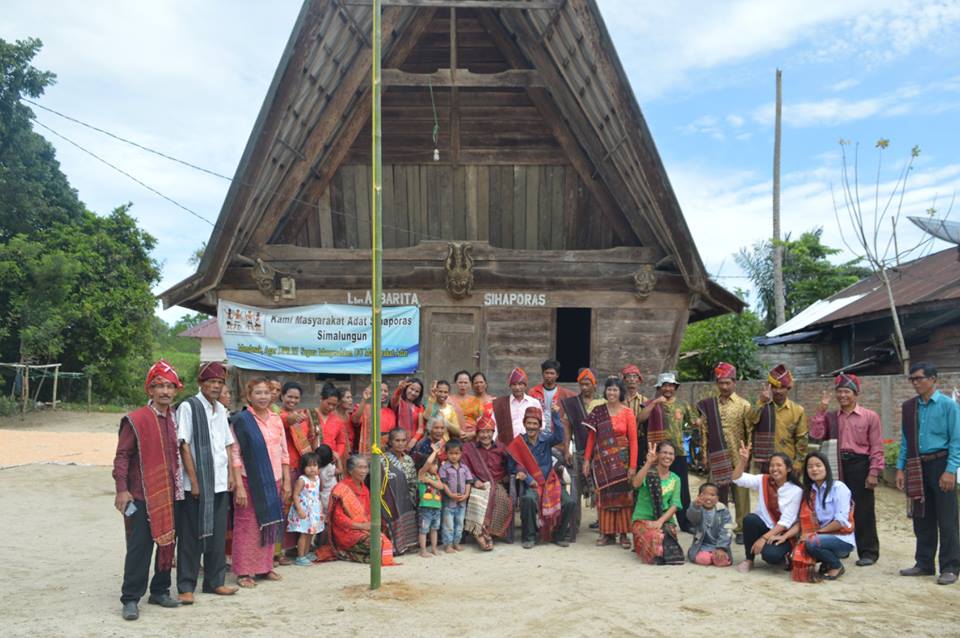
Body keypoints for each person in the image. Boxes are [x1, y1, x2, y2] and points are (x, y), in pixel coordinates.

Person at [113, 361, 184, 620]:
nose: (165, 391)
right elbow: (122, 456)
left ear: (176, 390)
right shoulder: (136, 420)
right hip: (141, 493)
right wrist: (122, 490)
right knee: (139, 547)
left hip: (172, 492)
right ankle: (131, 598)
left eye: (169, 386)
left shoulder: (178, 418)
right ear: (150, 390)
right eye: (159, 386)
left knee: (167, 543)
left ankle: (160, 590)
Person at [174, 361, 238, 604]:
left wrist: (232, 475)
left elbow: (227, 445)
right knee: (191, 535)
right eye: (211, 381)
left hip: (220, 482)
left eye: (219, 382)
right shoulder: (189, 407)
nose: (215, 386)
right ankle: (186, 586)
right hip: (196, 485)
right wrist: (195, 480)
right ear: (201, 383)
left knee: (217, 535)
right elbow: (184, 445)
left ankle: (215, 582)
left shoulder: (220, 410)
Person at [896, 362, 960, 585]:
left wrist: (951, 470)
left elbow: (956, 440)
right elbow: (905, 440)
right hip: (917, 465)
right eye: (912, 379)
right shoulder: (910, 407)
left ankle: (950, 566)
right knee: (922, 517)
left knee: (947, 519)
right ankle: (924, 563)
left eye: (919, 378)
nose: (915, 382)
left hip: (941, 464)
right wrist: (900, 468)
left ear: (933, 379)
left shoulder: (947, 406)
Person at [810, 373, 882, 566]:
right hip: (836, 463)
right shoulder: (831, 417)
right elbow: (815, 435)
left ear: (855, 394)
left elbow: (876, 447)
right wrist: (821, 411)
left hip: (860, 465)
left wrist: (874, 471)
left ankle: (868, 552)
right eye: (839, 392)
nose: (843, 395)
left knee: (863, 509)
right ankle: (840, 547)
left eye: (847, 392)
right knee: (835, 508)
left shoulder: (870, 416)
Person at [230, 377, 290, 588]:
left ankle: (265, 567)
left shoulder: (276, 419)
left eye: (266, 392)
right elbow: (235, 454)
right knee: (247, 526)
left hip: (273, 479)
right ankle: (244, 571)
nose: (263, 397)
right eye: (258, 393)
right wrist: (238, 485)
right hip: (249, 480)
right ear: (249, 396)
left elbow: (284, 453)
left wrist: (286, 481)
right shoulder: (242, 420)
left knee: (269, 523)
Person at [637, 371, 699, 532]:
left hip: (678, 453)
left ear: (675, 387)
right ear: (659, 387)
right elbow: (640, 418)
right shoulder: (652, 403)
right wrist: (655, 403)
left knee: (682, 489)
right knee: (654, 486)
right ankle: (655, 518)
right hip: (658, 454)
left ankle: (685, 523)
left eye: (671, 385)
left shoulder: (683, 404)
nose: (668, 388)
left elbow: (693, 422)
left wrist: (702, 418)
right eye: (665, 385)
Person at [697, 362, 752, 543]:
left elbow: (750, 432)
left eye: (728, 383)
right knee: (714, 492)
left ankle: (742, 529)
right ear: (717, 384)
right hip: (716, 456)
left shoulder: (744, 405)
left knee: (741, 493)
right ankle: (717, 524)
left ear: (734, 383)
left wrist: (748, 456)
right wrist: (704, 455)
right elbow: (704, 431)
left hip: (738, 456)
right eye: (721, 383)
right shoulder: (710, 406)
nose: (725, 387)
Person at [506, 406, 574, 549]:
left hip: (550, 482)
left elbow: (560, 436)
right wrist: (528, 479)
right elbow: (512, 466)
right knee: (528, 499)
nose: (531, 427)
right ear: (524, 424)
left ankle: (559, 536)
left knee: (569, 501)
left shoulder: (546, 439)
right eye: (529, 423)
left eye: (535, 424)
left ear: (539, 426)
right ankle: (529, 537)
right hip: (531, 484)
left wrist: (555, 414)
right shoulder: (518, 443)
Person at [582, 377, 638, 548]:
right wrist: (586, 460)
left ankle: (623, 534)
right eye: (609, 389)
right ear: (605, 391)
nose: (611, 393)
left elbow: (633, 440)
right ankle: (606, 533)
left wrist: (633, 466)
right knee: (604, 495)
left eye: (615, 390)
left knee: (623, 497)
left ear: (620, 392)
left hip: (623, 459)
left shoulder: (628, 412)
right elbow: (592, 438)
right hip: (602, 461)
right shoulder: (598, 411)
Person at [730, 441, 802, 573]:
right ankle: (749, 560)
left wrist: (763, 539)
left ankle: (785, 554)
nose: (774, 468)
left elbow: (785, 522)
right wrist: (743, 461)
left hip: (783, 533)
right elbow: (736, 479)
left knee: (770, 556)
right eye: (772, 465)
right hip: (764, 527)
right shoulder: (764, 479)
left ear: (789, 469)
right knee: (750, 519)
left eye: (779, 465)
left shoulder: (796, 491)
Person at [786, 452, 855, 582]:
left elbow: (841, 521)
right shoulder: (809, 491)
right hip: (820, 537)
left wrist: (815, 533)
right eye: (810, 466)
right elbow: (802, 521)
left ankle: (836, 566)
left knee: (812, 542)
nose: (814, 469)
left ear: (826, 468)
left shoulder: (839, 488)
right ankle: (826, 561)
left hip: (841, 539)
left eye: (818, 465)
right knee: (798, 548)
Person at [322, 455, 395, 564]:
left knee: (387, 543)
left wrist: (370, 526)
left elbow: (368, 512)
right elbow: (339, 519)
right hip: (347, 532)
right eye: (360, 467)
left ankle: (352, 554)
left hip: (364, 528)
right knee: (378, 546)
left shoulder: (364, 488)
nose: (364, 471)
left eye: (366, 467)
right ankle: (345, 551)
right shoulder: (340, 489)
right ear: (351, 470)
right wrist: (361, 526)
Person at [461, 414, 514, 549]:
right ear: (477, 434)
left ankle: (488, 533)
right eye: (482, 432)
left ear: (493, 433)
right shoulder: (469, 448)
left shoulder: (501, 447)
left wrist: (518, 471)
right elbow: (463, 467)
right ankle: (480, 535)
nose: (486, 435)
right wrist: (474, 480)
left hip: (496, 484)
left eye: (488, 432)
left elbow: (513, 462)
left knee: (502, 501)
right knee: (477, 500)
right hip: (477, 484)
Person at [630, 441, 685, 564]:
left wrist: (660, 522)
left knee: (665, 536)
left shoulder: (675, 479)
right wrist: (648, 463)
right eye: (664, 452)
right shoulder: (648, 473)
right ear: (658, 455)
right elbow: (635, 484)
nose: (667, 456)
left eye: (671, 454)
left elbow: (675, 504)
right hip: (642, 520)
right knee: (655, 537)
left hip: (664, 521)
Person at [748, 364, 809, 473]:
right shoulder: (762, 406)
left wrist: (798, 463)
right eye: (775, 387)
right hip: (764, 463)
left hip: (788, 462)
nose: (778, 391)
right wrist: (761, 401)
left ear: (788, 388)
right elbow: (750, 421)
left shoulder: (798, 410)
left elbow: (802, 439)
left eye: (782, 387)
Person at [561, 367, 601, 533]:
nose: (584, 387)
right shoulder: (572, 404)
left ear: (594, 385)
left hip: (599, 452)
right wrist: (566, 450)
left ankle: (603, 523)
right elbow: (567, 427)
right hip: (579, 450)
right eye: (582, 384)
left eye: (588, 384)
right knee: (576, 489)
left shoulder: (602, 404)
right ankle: (574, 524)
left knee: (600, 488)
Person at [278, 381, 311, 563]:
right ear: (282, 396)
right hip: (285, 469)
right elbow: (286, 420)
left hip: (299, 468)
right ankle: (278, 551)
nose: (292, 400)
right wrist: (292, 418)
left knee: (296, 510)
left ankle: (292, 548)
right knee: (283, 508)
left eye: (296, 397)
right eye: (289, 396)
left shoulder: (301, 417)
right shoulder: (278, 415)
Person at [381, 428, 419, 556]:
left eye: (403, 440)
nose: (401, 443)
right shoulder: (383, 460)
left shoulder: (408, 460)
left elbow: (413, 482)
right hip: (390, 501)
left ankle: (406, 545)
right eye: (397, 440)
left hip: (407, 499)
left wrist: (411, 499)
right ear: (390, 442)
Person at [286, 452, 323, 566]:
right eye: (309, 466)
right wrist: (299, 509)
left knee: (310, 533)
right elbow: (296, 495)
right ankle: (300, 556)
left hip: (314, 510)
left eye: (315, 465)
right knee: (304, 533)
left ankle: (306, 554)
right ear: (303, 467)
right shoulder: (302, 480)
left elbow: (317, 494)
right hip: (304, 510)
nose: (312, 468)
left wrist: (320, 509)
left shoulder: (317, 478)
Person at [491, 368, 543, 445]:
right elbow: (493, 426)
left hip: (530, 446)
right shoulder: (500, 404)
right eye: (514, 384)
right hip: (507, 446)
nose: (517, 387)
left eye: (520, 384)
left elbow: (542, 424)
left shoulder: (534, 402)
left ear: (525, 386)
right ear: (510, 386)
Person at [439, 439, 475, 552]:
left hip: (462, 502)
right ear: (446, 454)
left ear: (461, 454)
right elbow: (443, 483)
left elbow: (468, 482)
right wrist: (451, 494)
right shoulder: (444, 468)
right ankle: (448, 544)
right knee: (448, 525)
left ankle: (456, 542)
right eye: (451, 453)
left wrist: (466, 495)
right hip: (449, 502)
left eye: (457, 453)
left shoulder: (464, 468)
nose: (454, 456)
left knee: (459, 523)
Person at [686, 483, 733, 567]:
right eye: (705, 494)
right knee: (704, 559)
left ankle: (717, 553)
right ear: (699, 496)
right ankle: (696, 552)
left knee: (722, 561)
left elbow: (726, 530)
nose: (708, 498)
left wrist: (721, 548)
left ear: (718, 498)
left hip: (718, 544)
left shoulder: (723, 510)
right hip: (702, 545)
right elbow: (692, 519)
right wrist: (695, 507)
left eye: (712, 495)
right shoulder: (697, 508)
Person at [529, 359, 575, 431]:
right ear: (542, 374)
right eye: (546, 373)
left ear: (557, 375)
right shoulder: (533, 392)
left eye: (552, 373)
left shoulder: (564, 393)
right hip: (538, 431)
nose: (549, 376)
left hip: (556, 432)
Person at [354, 382, 397, 454]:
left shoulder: (390, 412)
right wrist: (364, 399)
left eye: (385, 391)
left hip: (386, 452)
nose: (383, 393)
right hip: (369, 451)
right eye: (380, 390)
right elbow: (355, 420)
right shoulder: (364, 408)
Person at [417, 443, 444, 558]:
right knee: (423, 530)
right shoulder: (421, 475)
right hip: (425, 509)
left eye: (437, 464)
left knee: (434, 529)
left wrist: (430, 481)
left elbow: (441, 487)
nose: (436, 466)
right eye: (434, 464)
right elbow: (428, 463)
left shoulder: (435, 477)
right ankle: (423, 550)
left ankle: (434, 548)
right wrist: (435, 452)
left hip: (436, 508)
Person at [314, 383, 348, 465]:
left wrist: (338, 454)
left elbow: (341, 442)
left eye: (334, 405)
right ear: (321, 399)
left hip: (331, 462)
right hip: (313, 461)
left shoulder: (337, 420)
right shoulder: (310, 415)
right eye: (328, 403)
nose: (331, 407)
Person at [391, 377, 426, 450]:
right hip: (397, 443)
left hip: (414, 446)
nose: (413, 393)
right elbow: (394, 399)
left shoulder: (420, 407)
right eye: (411, 389)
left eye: (417, 391)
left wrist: (414, 440)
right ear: (406, 388)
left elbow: (421, 428)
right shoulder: (399, 403)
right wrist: (399, 389)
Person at [450, 370, 484, 441]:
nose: (463, 385)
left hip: (473, 437)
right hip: (453, 437)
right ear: (455, 383)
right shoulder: (449, 400)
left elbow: (482, 422)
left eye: (465, 383)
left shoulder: (476, 401)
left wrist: (472, 434)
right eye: (460, 382)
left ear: (470, 384)